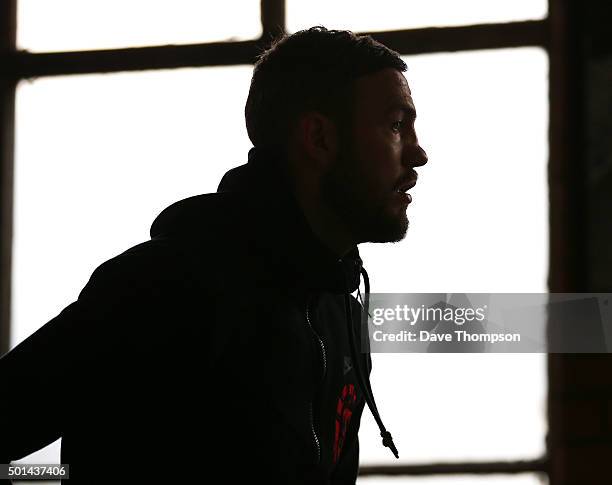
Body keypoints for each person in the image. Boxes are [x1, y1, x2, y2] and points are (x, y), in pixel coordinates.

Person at [0, 26, 427, 484]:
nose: (418, 153)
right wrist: (48, 479)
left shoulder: (341, 313)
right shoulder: (164, 287)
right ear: (319, 138)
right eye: (396, 125)